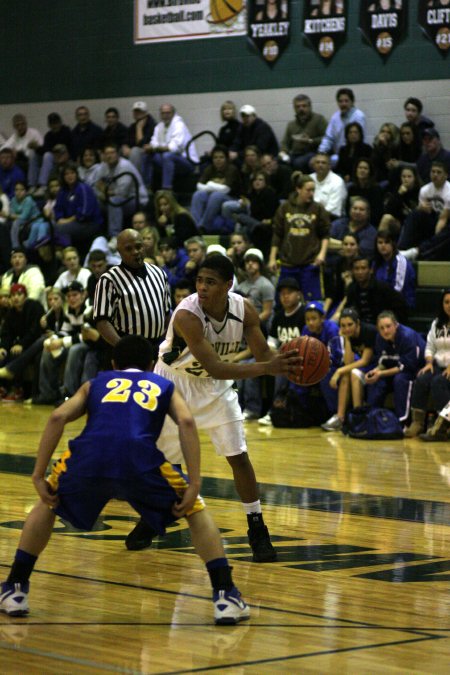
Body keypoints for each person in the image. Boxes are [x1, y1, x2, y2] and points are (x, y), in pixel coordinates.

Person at [0, 335, 250, 625]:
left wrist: (38, 473)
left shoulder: (96, 383)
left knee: (48, 503)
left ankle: (15, 588)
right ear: (150, 365)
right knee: (195, 510)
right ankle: (224, 594)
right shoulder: (162, 384)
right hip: (139, 458)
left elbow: (57, 417)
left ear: (114, 364)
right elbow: (186, 422)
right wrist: (194, 483)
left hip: (89, 457)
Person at [129, 254, 300, 561]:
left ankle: (257, 527)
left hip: (214, 389)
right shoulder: (186, 315)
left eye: (210, 282)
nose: (202, 288)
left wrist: (288, 363)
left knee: (239, 456)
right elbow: (217, 366)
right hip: (174, 385)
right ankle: (155, 516)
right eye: (199, 281)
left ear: (228, 285)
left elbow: (262, 352)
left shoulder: (244, 309)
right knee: (167, 465)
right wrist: (267, 368)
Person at [93, 229, 171, 360]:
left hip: (157, 347)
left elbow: (167, 313)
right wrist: (122, 348)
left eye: (138, 246)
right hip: (128, 349)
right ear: (119, 252)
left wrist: (167, 342)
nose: (135, 252)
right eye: (128, 249)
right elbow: (102, 322)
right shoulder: (109, 279)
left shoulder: (159, 273)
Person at [269, 172, 330, 302]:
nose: (311, 193)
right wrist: (272, 258)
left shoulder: (317, 208)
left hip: (310, 263)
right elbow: (277, 234)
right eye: (308, 190)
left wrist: (322, 254)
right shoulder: (285, 208)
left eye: (313, 190)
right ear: (298, 189)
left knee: (312, 302)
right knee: (282, 302)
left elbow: (325, 234)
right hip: (287, 263)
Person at [257, 277, 306, 426]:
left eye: (289, 293)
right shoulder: (278, 317)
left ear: (298, 294)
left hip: (303, 358)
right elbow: (271, 343)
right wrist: (275, 354)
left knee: (282, 369)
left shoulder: (305, 314)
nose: (285, 296)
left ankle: (276, 410)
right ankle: (264, 409)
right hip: (284, 358)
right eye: (282, 293)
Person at [404, 289, 450, 438]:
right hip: (438, 365)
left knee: (439, 382)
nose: (449, 305)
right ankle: (417, 423)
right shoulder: (437, 323)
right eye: (446, 302)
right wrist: (429, 362)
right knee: (422, 378)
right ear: (442, 304)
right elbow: (430, 346)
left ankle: (443, 425)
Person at [321, 308, 377, 431]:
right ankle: (341, 418)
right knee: (348, 372)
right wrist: (346, 339)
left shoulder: (368, 331)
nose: (347, 328)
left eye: (350, 325)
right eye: (343, 326)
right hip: (367, 367)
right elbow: (348, 362)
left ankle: (358, 415)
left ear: (357, 323)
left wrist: (338, 371)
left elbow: (365, 360)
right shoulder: (349, 335)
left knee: (351, 372)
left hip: (378, 365)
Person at [365, 311, 425, 423]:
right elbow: (383, 361)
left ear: (396, 325)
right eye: (381, 328)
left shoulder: (407, 336)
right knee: (376, 380)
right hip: (396, 368)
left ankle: (403, 421)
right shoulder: (379, 338)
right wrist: (375, 371)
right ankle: (372, 418)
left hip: (416, 369)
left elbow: (406, 367)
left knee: (400, 379)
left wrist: (380, 373)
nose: (385, 331)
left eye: (388, 326)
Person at [0, 283, 45, 401]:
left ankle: (18, 389)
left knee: (18, 352)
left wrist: (22, 344)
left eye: (19, 294)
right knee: (5, 353)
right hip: (24, 345)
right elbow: (6, 333)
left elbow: (35, 331)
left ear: (25, 296)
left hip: (38, 344)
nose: (16, 298)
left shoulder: (35, 306)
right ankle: (4, 388)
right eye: (13, 295)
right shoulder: (11, 313)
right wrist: (3, 347)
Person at [399, 161, 450, 262]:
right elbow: (422, 214)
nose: (435, 175)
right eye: (433, 172)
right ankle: (401, 250)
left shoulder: (449, 191)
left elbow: (443, 219)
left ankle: (417, 251)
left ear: (446, 175)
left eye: (439, 172)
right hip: (432, 219)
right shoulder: (425, 190)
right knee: (415, 213)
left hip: (445, 224)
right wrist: (419, 209)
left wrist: (436, 238)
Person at [95, 143, 148, 238]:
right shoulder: (103, 166)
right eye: (107, 153)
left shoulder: (125, 166)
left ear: (118, 154)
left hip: (136, 199)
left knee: (114, 201)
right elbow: (96, 186)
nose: (109, 156)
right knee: (96, 201)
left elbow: (121, 193)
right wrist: (103, 192)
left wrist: (104, 191)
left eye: (112, 152)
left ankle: (115, 236)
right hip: (118, 198)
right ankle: (97, 234)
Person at [144, 103, 198, 190]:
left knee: (167, 156)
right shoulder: (159, 127)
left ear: (173, 113)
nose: (165, 115)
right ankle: (147, 187)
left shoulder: (179, 125)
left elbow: (173, 148)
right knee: (148, 155)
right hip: (169, 161)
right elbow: (153, 142)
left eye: (168, 113)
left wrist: (154, 148)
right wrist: (151, 148)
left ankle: (167, 189)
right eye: (163, 113)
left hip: (187, 162)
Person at [54, 162, 103, 255]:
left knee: (61, 228)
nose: (70, 176)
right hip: (72, 223)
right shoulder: (62, 191)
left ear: (77, 174)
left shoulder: (84, 188)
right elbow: (57, 209)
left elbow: (84, 213)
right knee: (51, 226)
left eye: (72, 173)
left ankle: (68, 255)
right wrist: (60, 218)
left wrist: (67, 220)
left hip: (89, 223)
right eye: (67, 174)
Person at [344, 255, 409, 324]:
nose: (360, 272)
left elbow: (400, 307)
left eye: (363, 268)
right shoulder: (352, 289)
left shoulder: (382, 288)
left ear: (370, 270)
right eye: (356, 269)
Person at [190, 145, 241, 233]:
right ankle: (195, 226)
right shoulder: (210, 169)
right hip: (213, 196)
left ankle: (203, 226)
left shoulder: (232, 169)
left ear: (226, 158)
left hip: (232, 198)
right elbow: (199, 186)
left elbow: (226, 190)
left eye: (221, 157)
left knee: (216, 195)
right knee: (197, 195)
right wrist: (214, 185)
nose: (218, 160)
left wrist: (210, 184)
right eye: (215, 157)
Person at [279, 94, 328, 172]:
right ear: (294, 109)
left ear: (310, 107)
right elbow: (285, 142)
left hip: (312, 153)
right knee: (277, 161)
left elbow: (326, 138)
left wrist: (310, 141)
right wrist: (283, 152)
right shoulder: (291, 124)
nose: (301, 109)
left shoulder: (319, 120)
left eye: (304, 106)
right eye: (298, 107)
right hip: (294, 153)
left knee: (298, 163)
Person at [318, 89, 366, 165]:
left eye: (346, 101)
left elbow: (358, 139)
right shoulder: (335, 117)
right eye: (340, 101)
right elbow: (328, 137)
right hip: (338, 154)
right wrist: (321, 152)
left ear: (352, 102)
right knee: (317, 162)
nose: (343, 104)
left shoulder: (359, 116)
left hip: (354, 154)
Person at [373, 228, 416, 308]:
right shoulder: (376, 263)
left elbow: (398, 289)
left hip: (401, 304)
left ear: (393, 244)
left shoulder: (401, 262)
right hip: (382, 304)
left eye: (387, 242)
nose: (383, 245)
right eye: (380, 242)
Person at [1, 114, 43, 189]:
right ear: (14, 127)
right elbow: (4, 148)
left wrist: (35, 147)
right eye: (17, 125)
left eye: (22, 124)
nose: (20, 127)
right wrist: (11, 152)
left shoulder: (34, 133)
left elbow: (42, 149)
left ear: (26, 124)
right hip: (21, 162)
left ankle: (29, 186)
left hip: (35, 162)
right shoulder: (14, 137)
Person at [9, 180, 49, 250]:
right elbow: (12, 213)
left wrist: (11, 216)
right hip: (25, 222)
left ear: (26, 191)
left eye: (21, 190)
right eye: (16, 190)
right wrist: (12, 216)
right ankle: (15, 246)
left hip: (35, 220)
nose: (19, 192)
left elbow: (24, 216)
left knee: (35, 226)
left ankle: (30, 245)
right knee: (15, 223)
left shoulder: (28, 200)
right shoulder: (13, 200)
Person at [345, 158, 385, 228]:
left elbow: (377, 214)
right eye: (360, 168)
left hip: (369, 224)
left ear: (370, 172)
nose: (362, 170)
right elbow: (347, 208)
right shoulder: (352, 189)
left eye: (365, 168)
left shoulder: (376, 190)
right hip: (351, 222)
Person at [122, 101, 157, 176]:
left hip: (149, 152)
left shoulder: (152, 125)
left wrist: (139, 128)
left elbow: (142, 144)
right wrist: (125, 147)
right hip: (136, 151)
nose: (137, 114)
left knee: (135, 151)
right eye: (136, 111)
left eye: (140, 111)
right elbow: (126, 140)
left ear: (145, 113)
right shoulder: (133, 125)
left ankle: (135, 179)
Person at [310, 153, 347, 219]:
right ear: (313, 165)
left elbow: (333, 210)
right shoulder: (309, 178)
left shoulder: (337, 182)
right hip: (310, 216)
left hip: (331, 219)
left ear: (329, 166)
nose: (320, 165)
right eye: (317, 162)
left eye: (323, 163)